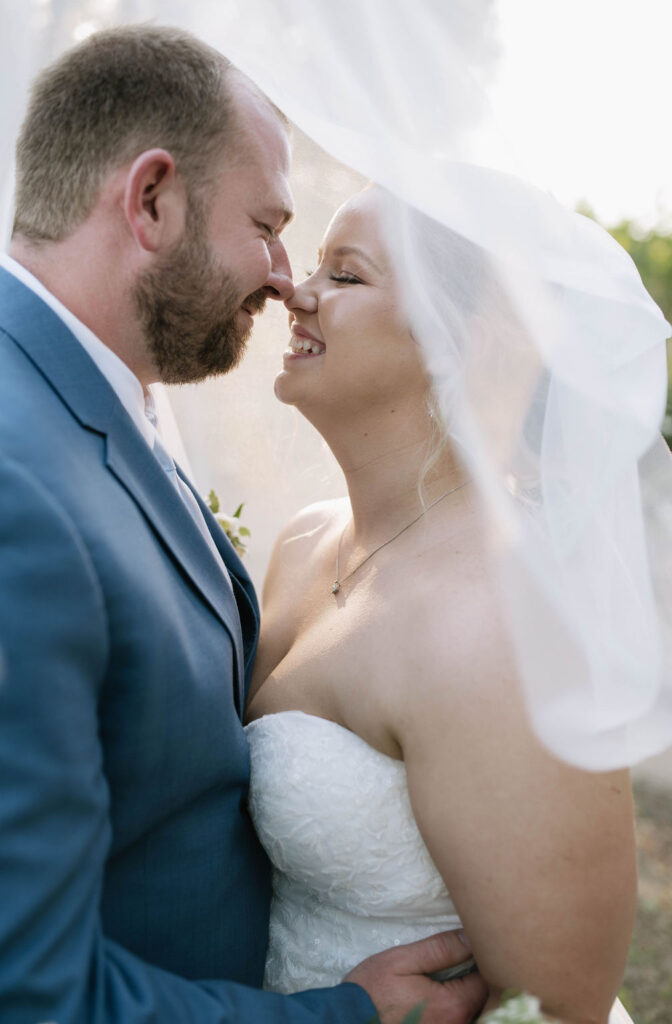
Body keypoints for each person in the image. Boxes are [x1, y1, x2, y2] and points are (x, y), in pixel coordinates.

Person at [0, 26, 487, 1024]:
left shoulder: (88, 394)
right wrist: (340, 1014)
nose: (281, 276)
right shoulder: (19, 490)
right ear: (150, 199)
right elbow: (32, 992)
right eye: (267, 225)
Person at [245, 186, 639, 1023]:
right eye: (313, 264)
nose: (296, 290)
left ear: (453, 344)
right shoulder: (300, 543)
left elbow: (557, 1002)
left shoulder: (503, 620)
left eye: (345, 276)